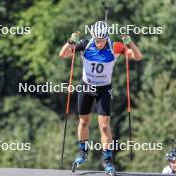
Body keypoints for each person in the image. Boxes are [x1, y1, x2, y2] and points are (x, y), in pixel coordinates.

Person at [59, 21, 142, 175]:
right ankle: (83, 151)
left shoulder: (115, 46)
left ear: (106, 37)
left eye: (101, 40)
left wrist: (130, 43)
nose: (98, 43)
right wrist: (71, 41)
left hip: (104, 90)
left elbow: (137, 56)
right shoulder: (85, 44)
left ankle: (107, 159)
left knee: (104, 126)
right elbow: (62, 54)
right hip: (86, 87)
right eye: (96, 40)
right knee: (83, 122)